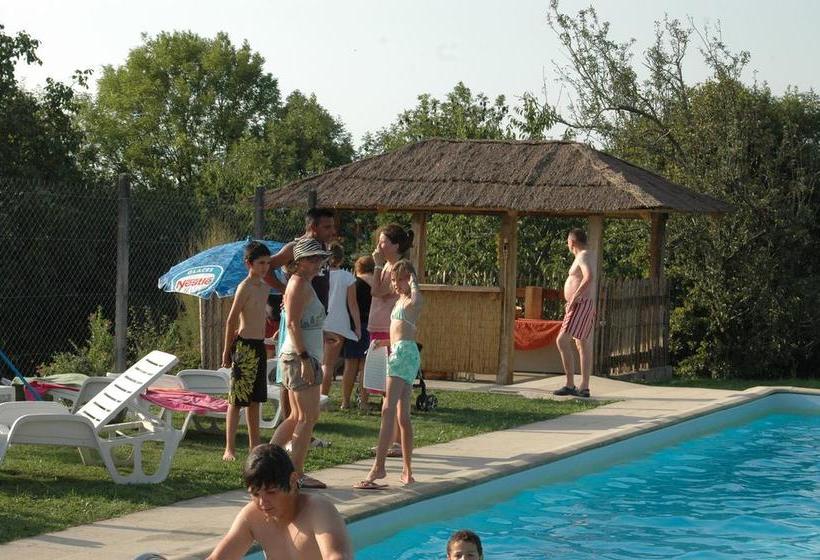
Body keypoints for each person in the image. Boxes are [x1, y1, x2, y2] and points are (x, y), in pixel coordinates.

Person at [206, 443, 352, 560]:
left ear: (293, 481)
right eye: (255, 494)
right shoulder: (252, 516)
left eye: (271, 492)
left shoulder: (318, 510)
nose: (262, 502)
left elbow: (336, 557)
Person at [266, 208, 337, 431]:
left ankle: (300, 430)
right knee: (291, 375)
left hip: (313, 316)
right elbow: (267, 267)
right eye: (327, 227)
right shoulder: (295, 247)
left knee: (309, 374)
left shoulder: (322, 250)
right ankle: (290, 426)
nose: (332, 231)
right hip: (296, 316)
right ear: (313, 227)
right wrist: (284, 290)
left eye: (332, 226)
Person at [355, 259, 422, 489]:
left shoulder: (411, 300)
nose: (396, 284)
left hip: (403, 354)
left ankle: (379, 467)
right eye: (394, 280)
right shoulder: (400, 302)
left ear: (409, 279)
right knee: (402, 415)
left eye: (400, 280)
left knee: (387, 409)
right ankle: (407, 470)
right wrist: (384, 343)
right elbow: (400, 333)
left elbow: (417, 301)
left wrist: (414, 283)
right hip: (402, 350)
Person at [270, 237, 331, 489]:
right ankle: (296, 474)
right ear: (300, 262)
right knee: (307, 416)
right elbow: (293, 324)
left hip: (303, 356)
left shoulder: (303, 284)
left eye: (320, 258)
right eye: (313, 259)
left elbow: (302, 321)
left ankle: (267, 463)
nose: (318, 263)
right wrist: (305, 359)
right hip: (299, 358)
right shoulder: (298, 284)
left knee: (298, 416)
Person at [221, 241, 272, 462]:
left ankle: (255, 446)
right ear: (248, 264)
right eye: (261, 263)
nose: (265, 267)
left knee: (255, 400)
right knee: (237, 400)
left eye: (267, 263)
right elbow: (231, 319)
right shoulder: (245, 287)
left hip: (259, 345)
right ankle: (229, 448)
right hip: (244, 348)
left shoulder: (264, 287)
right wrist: (226, 351)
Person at [367, 224, 414, 458]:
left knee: (391, 392)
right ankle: (390, 440)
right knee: (385, 391)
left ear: (396, 245)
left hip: (389, 331)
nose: (379, 245)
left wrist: (376, 265)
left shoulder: (397, 268)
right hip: (379, 328)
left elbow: (377, 291)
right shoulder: (387, 265)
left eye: (384, 241)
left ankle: (394, 442)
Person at [553, 228, 596, 399]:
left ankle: (570, 384)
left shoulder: (583, 256)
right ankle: (584, 387)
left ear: (572, 242)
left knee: (562, 341)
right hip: (582, 304)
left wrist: (574, 298)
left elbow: (588, 277)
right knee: (582, 343)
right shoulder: (586, 255)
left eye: (567, 242)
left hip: (580, 304)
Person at [320, 242, 361, 396]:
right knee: (328, 365)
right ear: (342, 259)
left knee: (317, 362)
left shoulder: (319, 274)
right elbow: (352, 305)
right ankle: (322, 397)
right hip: (338, 323)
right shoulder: (347, 277)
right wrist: (357, 327)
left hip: (318, 321)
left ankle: (313, 397)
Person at [340, 255, 375, 410]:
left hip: (354, 324)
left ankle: (345, 401)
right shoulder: (377, 283)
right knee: (365, 366)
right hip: (371, 325)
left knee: (350, 365)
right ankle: (364, 401)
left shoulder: (354, 282)